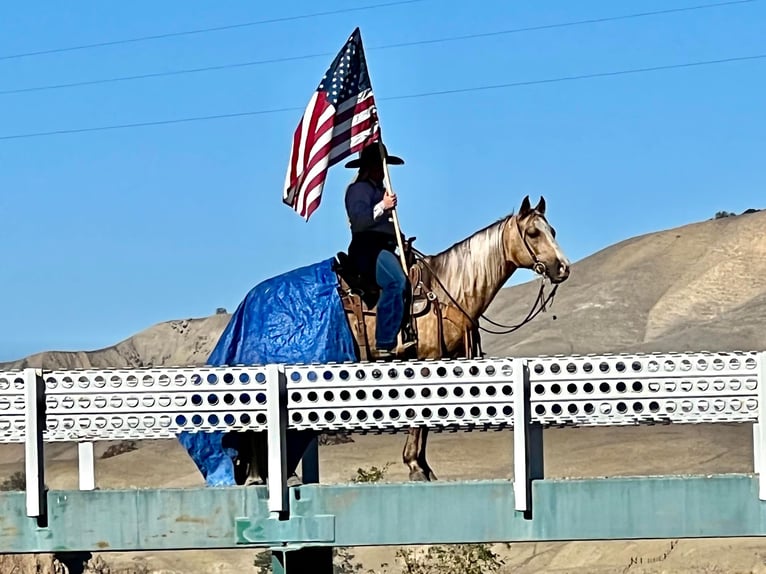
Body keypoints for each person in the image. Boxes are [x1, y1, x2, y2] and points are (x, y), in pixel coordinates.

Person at [344, 143, 416, 358]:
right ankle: (385, 342)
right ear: (370, 166)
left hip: (385, 247)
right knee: (396, 281)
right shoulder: (358, 190)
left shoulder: (380, 190)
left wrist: (400, 240)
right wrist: (382, 206)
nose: (382, 171)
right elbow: (359, 223)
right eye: (379, 165)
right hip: (368, 250)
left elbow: (389, 226)